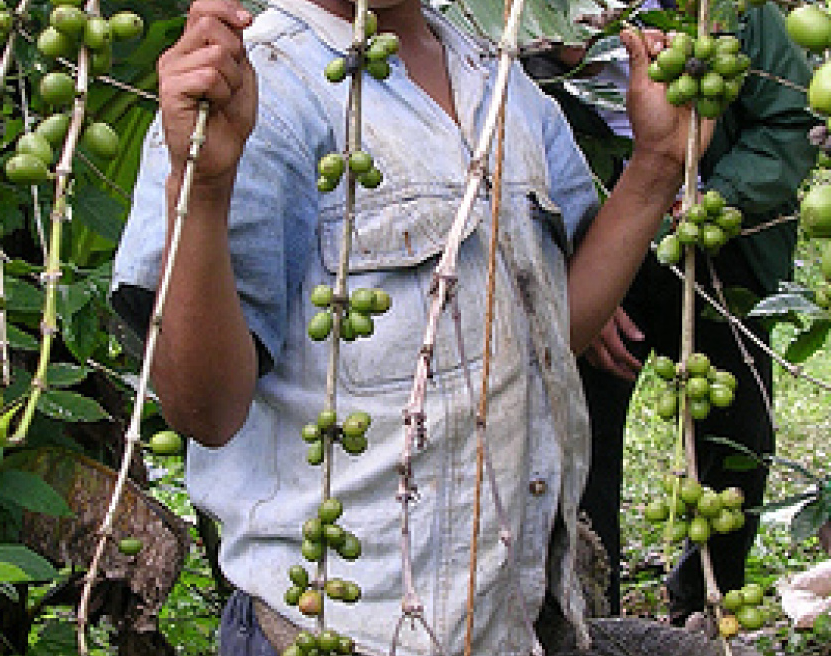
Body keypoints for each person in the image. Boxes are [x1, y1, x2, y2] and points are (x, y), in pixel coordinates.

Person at [110, 0, 706, 653]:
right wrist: (204, 189)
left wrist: (655, 169)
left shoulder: (501, 80)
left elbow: (544, 340)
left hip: (509, 625)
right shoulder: (255, 89)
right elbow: (204, 409)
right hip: (336, 632)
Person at [525, 2, 818, 621]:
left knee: (740, 432)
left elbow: (788, 119)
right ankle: (590, 606)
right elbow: (515, 136)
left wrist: (718, 197)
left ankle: (706, 598)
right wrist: (580, 275)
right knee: (584, 435)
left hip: (719, 249)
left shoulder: (733, 14)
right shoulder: (522, 17)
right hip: (597, 235)